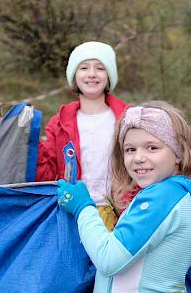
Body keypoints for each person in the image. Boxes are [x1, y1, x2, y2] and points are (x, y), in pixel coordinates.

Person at [55, 101, 191, 293]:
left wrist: (83, 207)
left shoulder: (163, 197)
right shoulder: (179, 194)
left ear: (178, 153)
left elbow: (109, 258)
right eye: (130, 149)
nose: (138, 158)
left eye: (152, 147)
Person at [36, 41, 129, 229]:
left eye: (100, 68)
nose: (92, 74)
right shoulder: (59, 123)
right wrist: (30, 144)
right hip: (73, 213)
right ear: (74, 76)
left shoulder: (128, 118)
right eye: (84, 67)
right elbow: (45, 174)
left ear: (109, 75)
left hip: (121, 214)